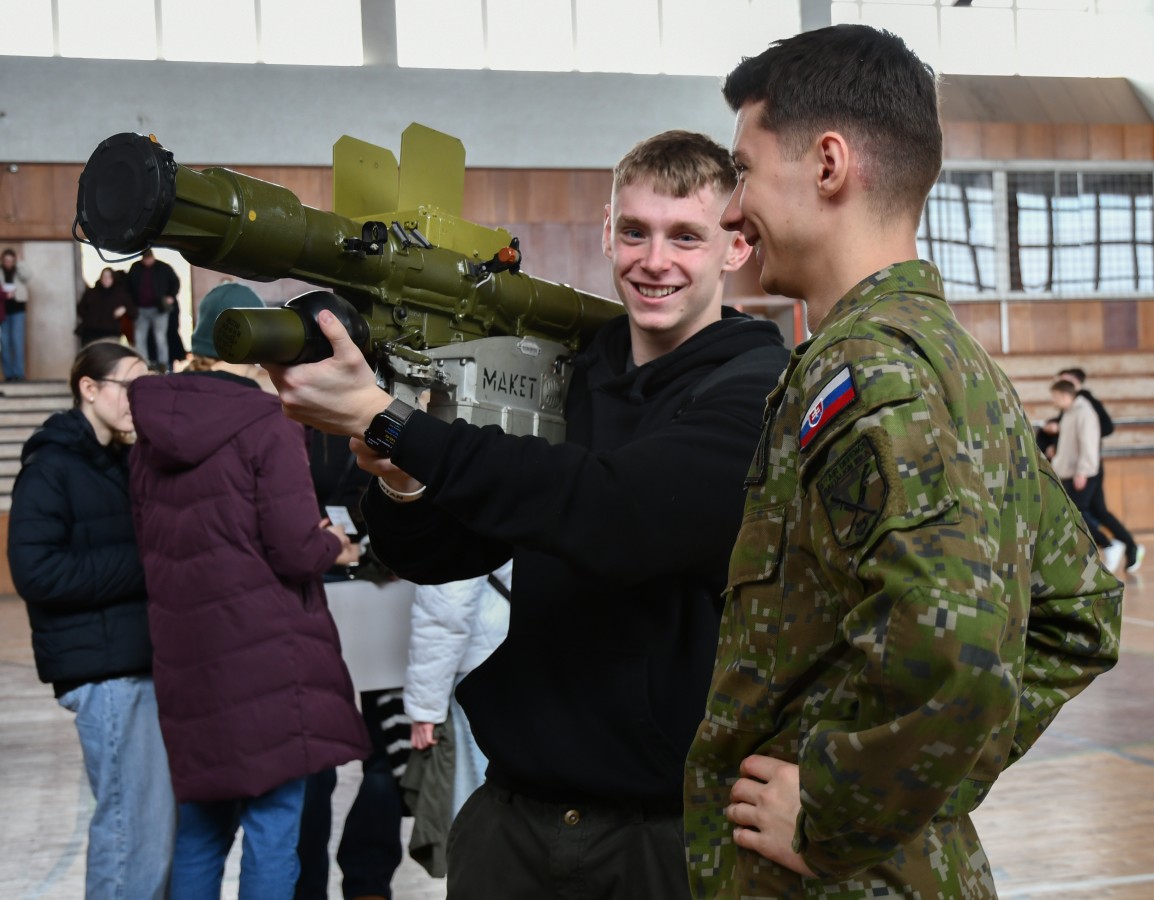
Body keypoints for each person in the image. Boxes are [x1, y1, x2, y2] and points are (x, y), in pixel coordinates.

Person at [266, 129, 791, 899]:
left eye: (687, 236)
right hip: (516, 815)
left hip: (668, 834)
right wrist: (403, 479)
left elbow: (615, 514)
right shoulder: (573, 373)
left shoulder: (757, 386)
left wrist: (393, 424)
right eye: (637, 231)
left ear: (735, 248)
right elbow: (442, 552)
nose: (655, 261)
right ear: (607, 231)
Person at [683, 24, 1125, 899]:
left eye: (742, 171)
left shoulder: (868, 373)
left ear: (829, 164)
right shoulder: (960, 367)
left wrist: (843, 809)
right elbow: (1078, 610)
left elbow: (956, 648)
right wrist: (919, 792)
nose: (730, 211)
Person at [127, 282, 371, 900]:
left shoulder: (150, 432)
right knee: (271, 830)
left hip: (188, 660)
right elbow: (292, 545)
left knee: (201, 831)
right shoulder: (266, 423)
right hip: (265, 658)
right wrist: (331, 546)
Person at [7, 339, 175, 899]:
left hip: (132, 663)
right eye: (131, 385)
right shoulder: (52, 466)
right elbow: (36, 572)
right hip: (106, 677)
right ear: (89, 388)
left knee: (148, 837)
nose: (140, 400)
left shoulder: (122, 460)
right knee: (132, 839)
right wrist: (143, 562)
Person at [405, 561, 513, 819]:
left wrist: (425, 710)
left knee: (478, 796)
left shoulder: (458, 523)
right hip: (523, 655)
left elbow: (444, 618)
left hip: (480, 667)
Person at [1056, 367, 1143, 573]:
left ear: (1076, 383)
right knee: (1099, 511)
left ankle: (1113, 544)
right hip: (1081, 466)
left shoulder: (1086, 404)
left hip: (1087, 467)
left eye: (1064, 381)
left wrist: (1084, 468)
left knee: (1078, 510)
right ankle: (1128, 545)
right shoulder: (1071, 407)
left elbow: (1103, 428)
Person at [126, 247, 180, 370]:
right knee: (140, 339)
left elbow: (175, 282)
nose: (147, 261)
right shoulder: (135, 268)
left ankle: (163, 365)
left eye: (148, 259)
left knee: (160, 338)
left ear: (152, 257)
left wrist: (171, 296)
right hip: (140, 309)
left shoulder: (164, 268)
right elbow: (128, 286)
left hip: (159, 309)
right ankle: (143, 365)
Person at [77, 267, 136, 346]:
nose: (106, 279)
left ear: (113, 278)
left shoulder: (121, 294)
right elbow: (81, 309)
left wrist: (124, 309)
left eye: (109, 276)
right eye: (104, 276)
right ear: (100, 278)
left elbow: (134, 312)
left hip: (111, 333)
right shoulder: (92, 293)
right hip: (91, 333)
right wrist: (91, 317)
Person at [1, 246, 32, 380]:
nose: (8, 263)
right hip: (2, 312)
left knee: (17, 342)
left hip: (18, 310)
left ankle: (19, 373)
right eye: (6, 260)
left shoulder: (19, 270)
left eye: (11, 260)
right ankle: (9, 374)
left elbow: (28, 276)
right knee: (4, 343)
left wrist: (19, 263)